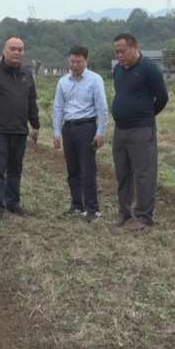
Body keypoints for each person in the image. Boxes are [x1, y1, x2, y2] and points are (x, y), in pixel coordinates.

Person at [0, 37, 40, 220]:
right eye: (13, 49)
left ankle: (13, 202)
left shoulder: (27, 74)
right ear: (4, 50)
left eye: (20, 49)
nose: (17, 53)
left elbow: (31, 101)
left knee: (15, 168)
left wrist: (35, 124)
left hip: (19, 130)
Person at [111, 33, 169, 232]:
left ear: (134, 47)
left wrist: (146, 116)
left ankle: (144, 216)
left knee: (144, 174)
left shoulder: (149, 69)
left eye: (122, 51)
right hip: (120, 130)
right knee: (122, 172)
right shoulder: (118, 70)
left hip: (141, 130)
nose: (119, 55)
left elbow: (162, 97)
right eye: (116, 51)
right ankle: (124, 212)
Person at [52, 46, 108, 221]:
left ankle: (92, 209)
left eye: (79, 62)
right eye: (72, 62)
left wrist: (101, 132)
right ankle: (77, 205)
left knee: (88, 170)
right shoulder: (63, 82)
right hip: (68, 128)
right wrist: (56, 132)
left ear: (86, 61)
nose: (75, 65)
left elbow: (102, 107)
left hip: (86, 127)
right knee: (73, 170)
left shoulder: (95, 80)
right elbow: (58, 107)